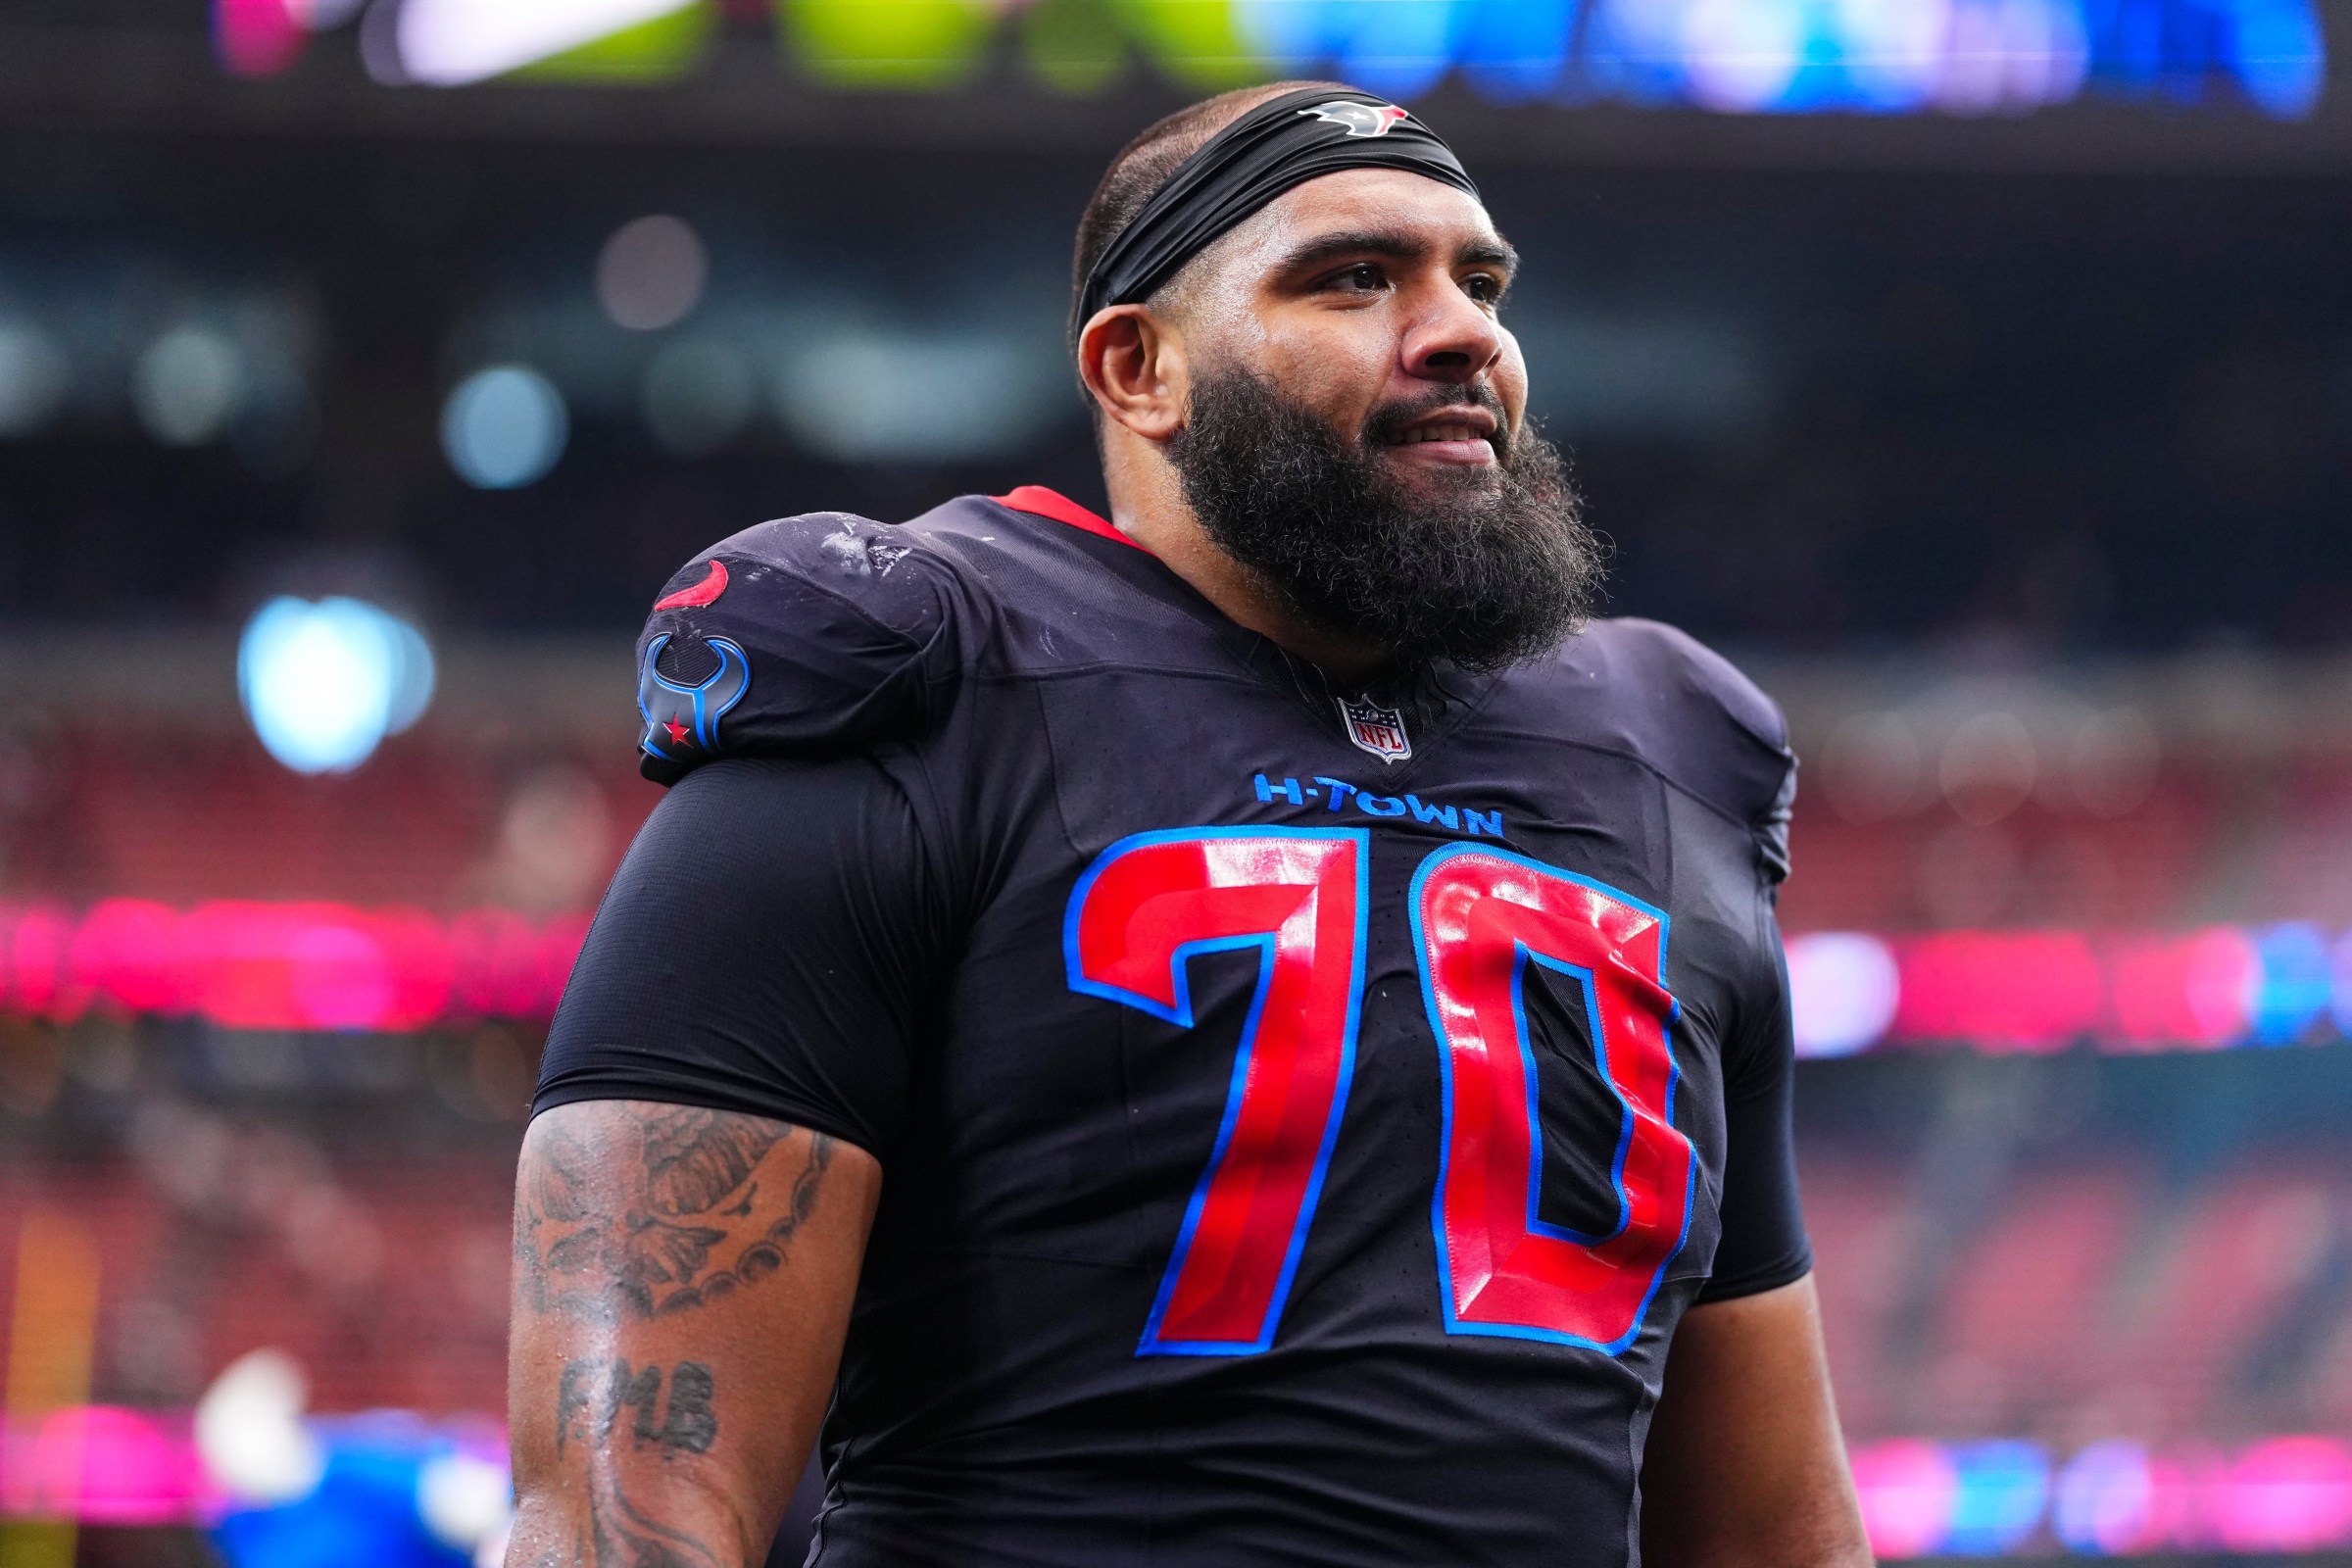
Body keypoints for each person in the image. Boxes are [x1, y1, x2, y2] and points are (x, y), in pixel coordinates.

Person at [507, 80, 1872, 1568]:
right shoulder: (918, 679)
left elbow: (1773, 1528)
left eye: (1480, 281)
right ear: (1139, 366)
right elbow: (622, 1511)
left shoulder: (1665, 758)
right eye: (1355, 276)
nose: (1463, 328)